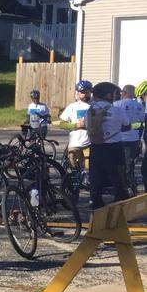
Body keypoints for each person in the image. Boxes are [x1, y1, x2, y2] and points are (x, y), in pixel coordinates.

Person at [87, 82, 128, 210]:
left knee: (96, 177)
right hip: (114, 147)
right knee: (118, 177)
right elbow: (127, 125)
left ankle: (96, 203)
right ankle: (122, 204)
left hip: (96, 146)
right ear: (109, 95)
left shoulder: (90, 110)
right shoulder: (116, 110)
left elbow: (88, 128)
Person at [114, 84, 144, 192]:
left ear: (124, 92)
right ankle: (131, 188)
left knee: (121, 167)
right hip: (134, 139)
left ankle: (127, 190)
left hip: (121, 139)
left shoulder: (117, 104)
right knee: (130, 166)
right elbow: (141, 122)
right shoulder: (140, 106)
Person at [59, 81, 93, 171]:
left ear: (90, 92)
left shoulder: (95, 106)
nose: (85, 94)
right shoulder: (72, 106)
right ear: (78, 93)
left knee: (88, 168)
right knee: (73, 163)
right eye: (82, 92)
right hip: (75, 143)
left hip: (91, 143)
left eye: (87, 92)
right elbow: (62, 124)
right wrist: (76, 125)